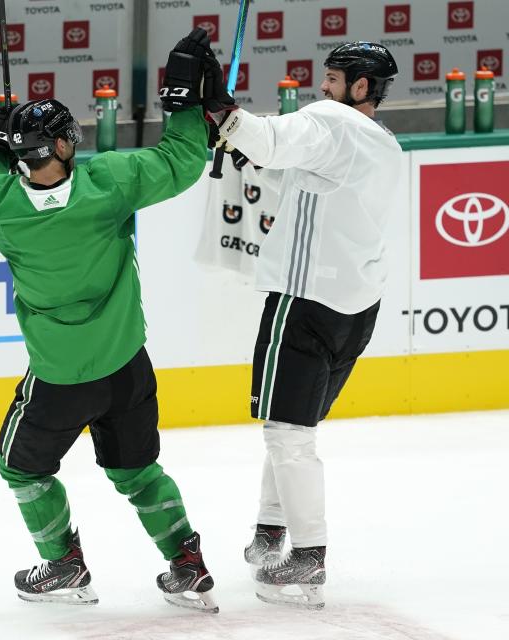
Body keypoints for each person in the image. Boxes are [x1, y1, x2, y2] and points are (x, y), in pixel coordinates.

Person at [0, 29, 234, 610]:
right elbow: (183, 161)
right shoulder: (110, 182)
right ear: (62, 148)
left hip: (60, 379)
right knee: (139, 471)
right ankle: (188, 564)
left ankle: (64, 565)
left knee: (19, 468)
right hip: (126, 369)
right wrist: (183, 99)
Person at [212, 42, 402, 608]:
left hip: (304, 300)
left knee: (287, 435)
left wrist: (223, 111)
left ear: (361, 87)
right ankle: (272, 530)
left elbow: (270, 141)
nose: (323, 87)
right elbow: (293, 168)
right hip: (357, 307)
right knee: (293, 427)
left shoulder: (330, 121)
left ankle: (307, 556)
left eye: (334, 78)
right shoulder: (385, 145)